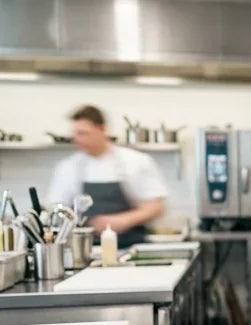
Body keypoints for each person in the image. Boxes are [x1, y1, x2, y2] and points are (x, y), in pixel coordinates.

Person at [47, 105, 167, 248]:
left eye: (83, 133)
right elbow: (57, 209)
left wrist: (123, 221)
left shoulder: (135, 161)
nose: (77, 139)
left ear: (102, 130)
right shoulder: (68, 167)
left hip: (131, 247)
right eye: (75, 134)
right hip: (85, 251)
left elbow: (156, 206)